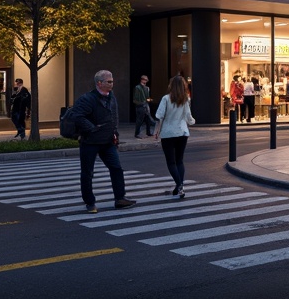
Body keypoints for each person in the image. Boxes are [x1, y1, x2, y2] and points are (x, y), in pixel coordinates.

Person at [67, 69, 136, 213]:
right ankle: (90, 203)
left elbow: (114, 116)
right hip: (90, 142)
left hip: (108, 142)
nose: (112, 84)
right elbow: (77, 116)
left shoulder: (112, 97)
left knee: (116, 168)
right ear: (99, 83)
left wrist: (115, 133)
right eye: (109, 82)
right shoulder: (87, 99)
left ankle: (120, 198)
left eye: (112, 81)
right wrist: (92, 128)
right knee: (87, 173)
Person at [153, 74, 195, 197]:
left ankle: (180, 185)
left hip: (168, 133)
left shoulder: (166, 99)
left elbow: (159, 116)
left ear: (171, 86)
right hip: (182, 132)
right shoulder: (186, 99)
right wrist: (193, 122)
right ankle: (179, 186)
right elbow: (189, 117)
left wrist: (156, 132)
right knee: (180, 161)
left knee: (171, 162)